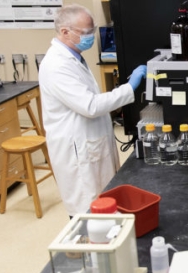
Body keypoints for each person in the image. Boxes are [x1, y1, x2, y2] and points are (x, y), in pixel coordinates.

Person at [39, 4, 147, 217]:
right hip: (78, 149)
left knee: (104, 202)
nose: (90, 36)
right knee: (87, 210)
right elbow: (90, 105)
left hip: (90, 140)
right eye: (86, 32)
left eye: (92, 30)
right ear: (64, 32)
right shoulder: (57, 65)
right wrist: (129, 87)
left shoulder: (74, 56)